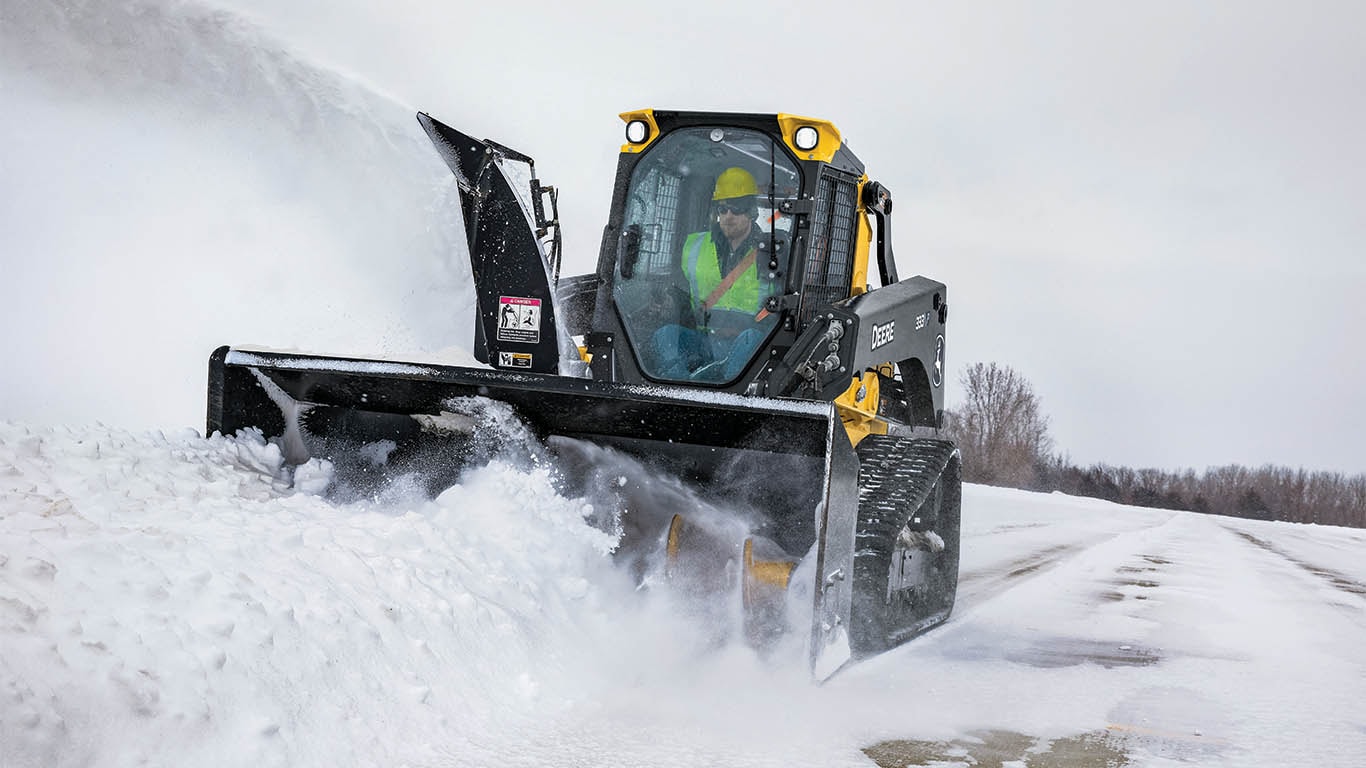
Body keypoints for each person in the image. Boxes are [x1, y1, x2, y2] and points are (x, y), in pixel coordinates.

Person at [651, 167, 775, 381]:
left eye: (736, 208)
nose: (728, 216)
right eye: (723, 208)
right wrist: (668, 303)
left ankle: (726, 396)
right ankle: (679, 392)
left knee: (751, 339)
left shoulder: (772, 252)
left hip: (747, 346)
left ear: (751, 211)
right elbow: (682, 291)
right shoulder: (694, 246)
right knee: (666, 335)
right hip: (704, 339)